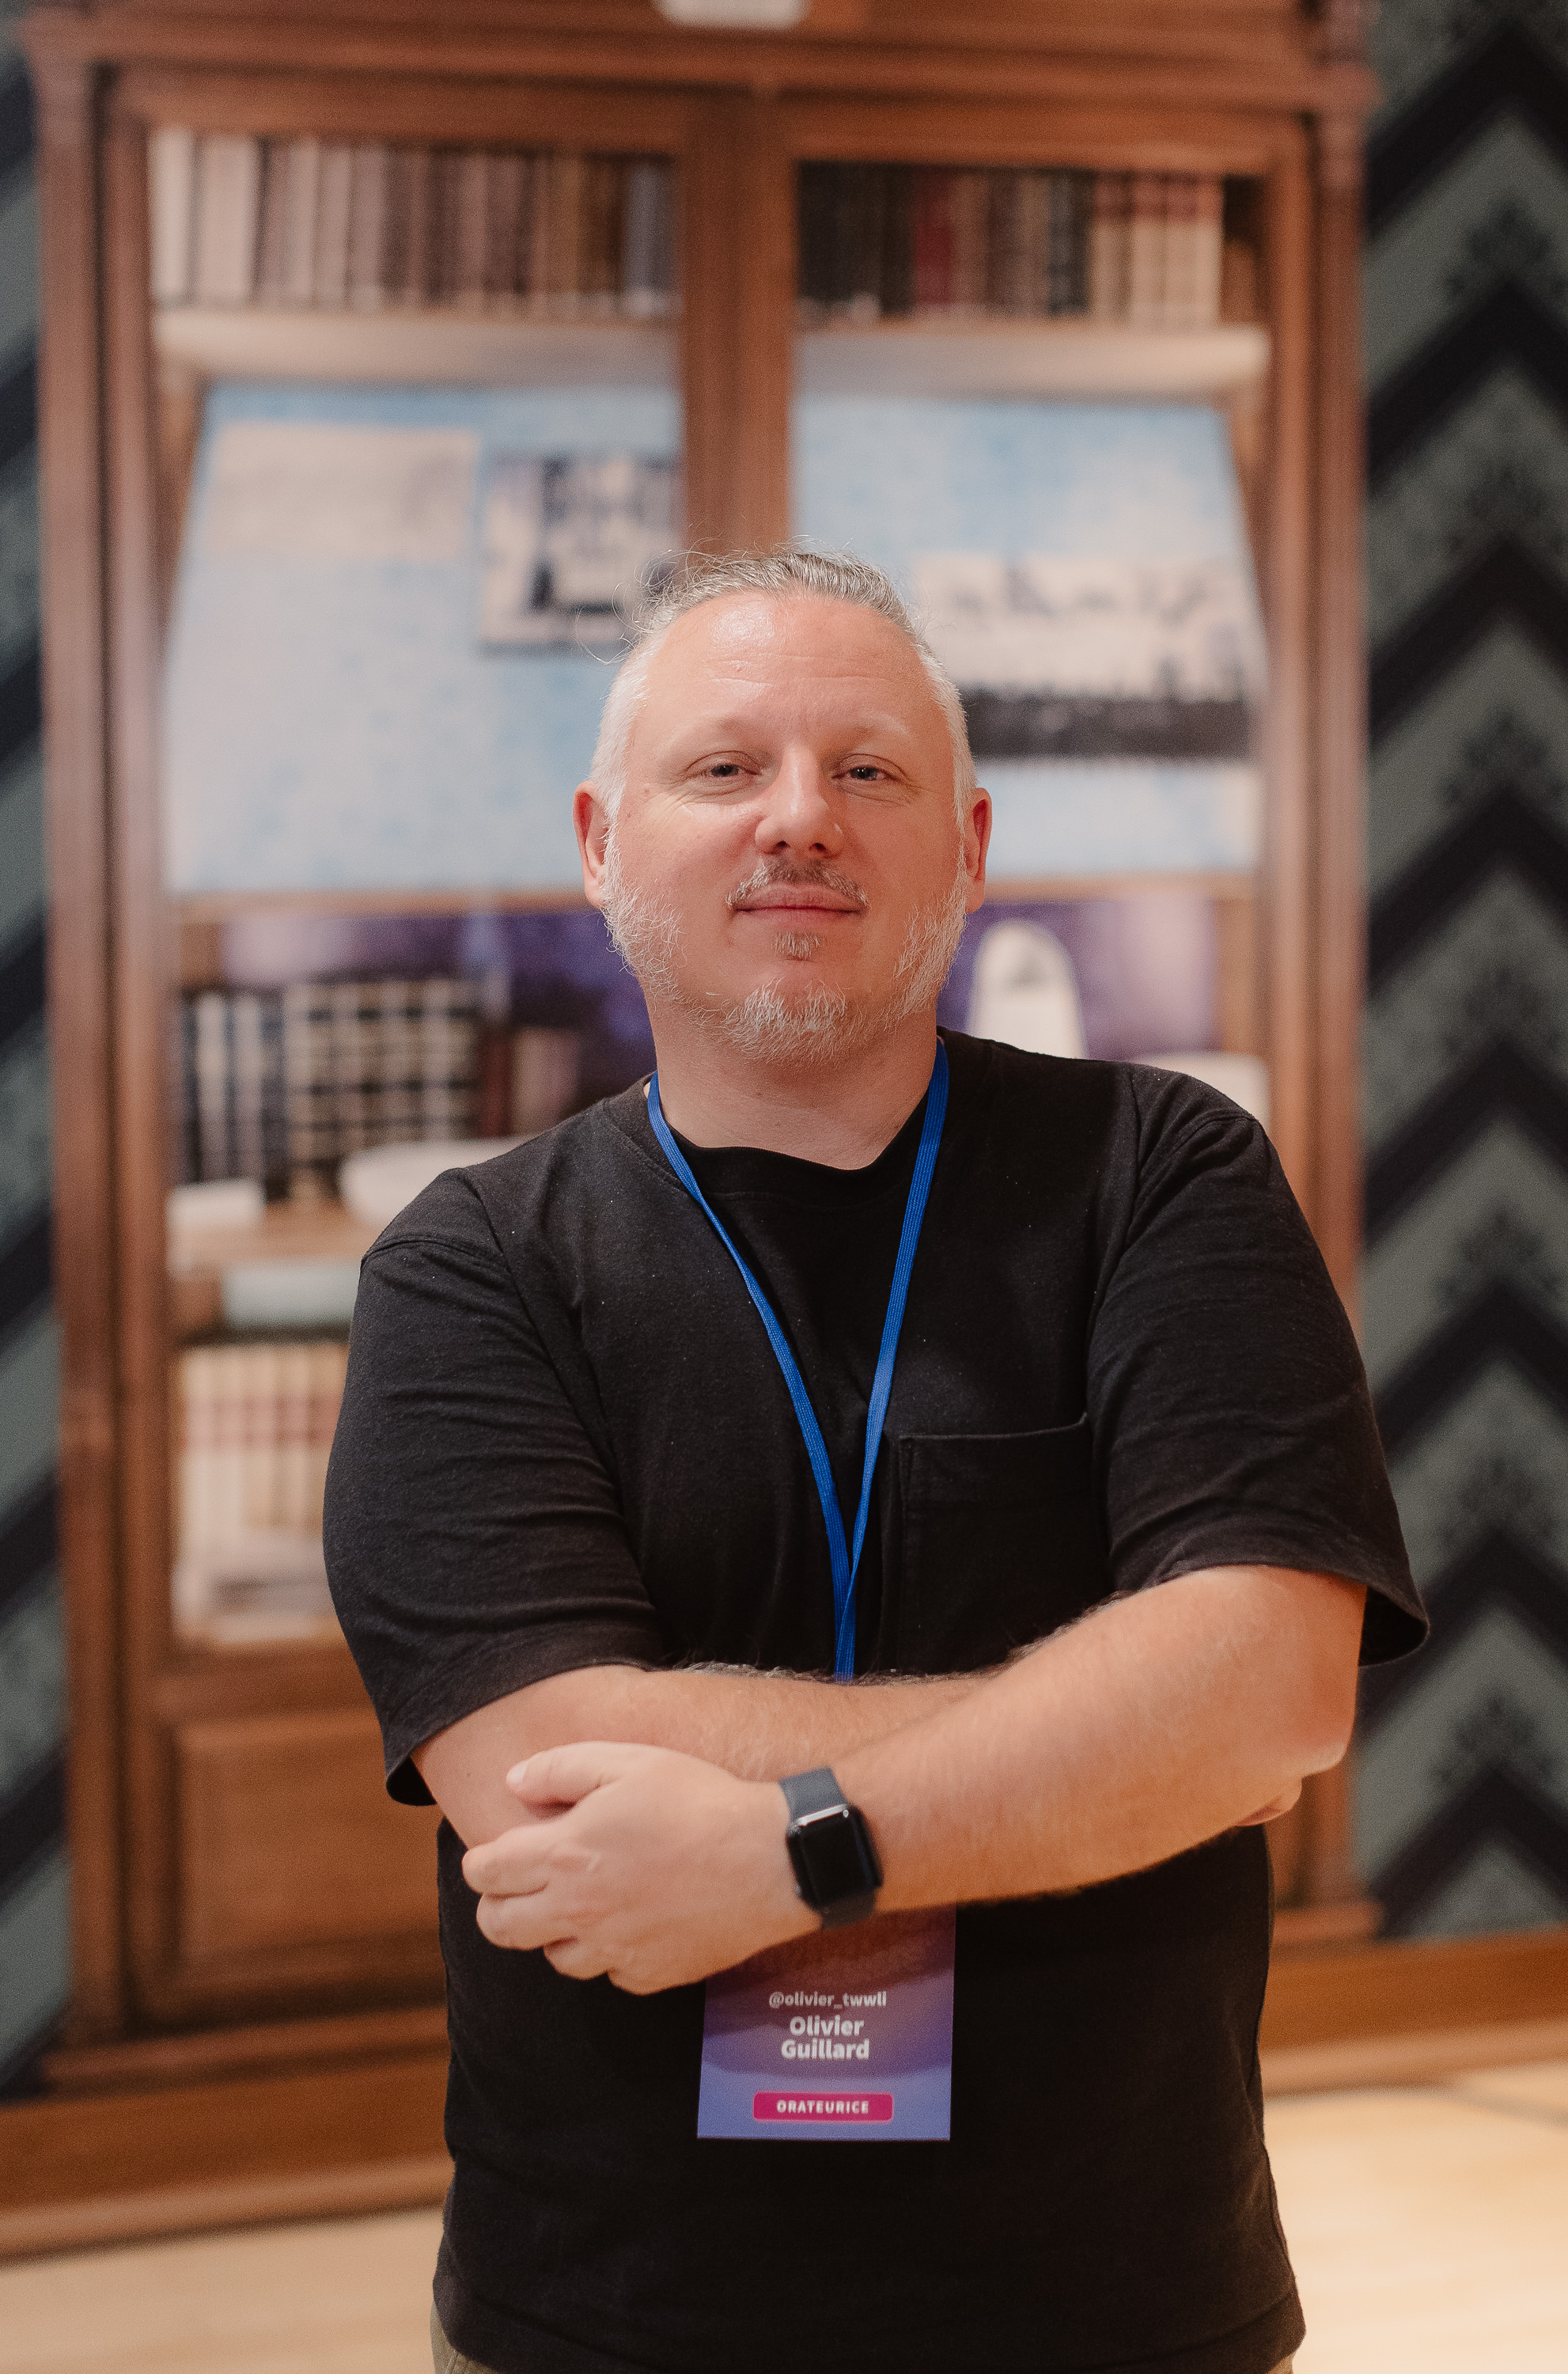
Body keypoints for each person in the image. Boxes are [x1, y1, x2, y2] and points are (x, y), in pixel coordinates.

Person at [324, 548, 1425, 2374]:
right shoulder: (471, 1265)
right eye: (723, 767)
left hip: (1120, 2303)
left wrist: (793, 1851)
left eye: (867, 770)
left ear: (968, 848)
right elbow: (534, 1768)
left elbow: (1270, 1686)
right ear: (601, 842)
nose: (798, 819)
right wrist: (1116, 1738)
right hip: (605, 2312)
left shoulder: (1163, 1172)